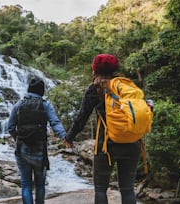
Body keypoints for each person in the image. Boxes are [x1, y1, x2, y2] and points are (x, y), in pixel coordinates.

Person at [64, 54, 143, 204]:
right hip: (133, 142)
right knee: (127, 189)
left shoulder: (95, 89)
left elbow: (82, 117)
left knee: (100, 189)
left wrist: (69, 137)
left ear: (94, 71)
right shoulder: (126, 85)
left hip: (106, 144)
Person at [8, 77, 67, 204]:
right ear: (42, 91)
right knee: (40, 185)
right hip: (40, 149)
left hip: (22, 148)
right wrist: (65, 137)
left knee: (26, 184)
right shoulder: (45, 105)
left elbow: (10, 127)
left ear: (29, 89)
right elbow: (55, 123)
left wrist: (18, 139)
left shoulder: (18, 105)